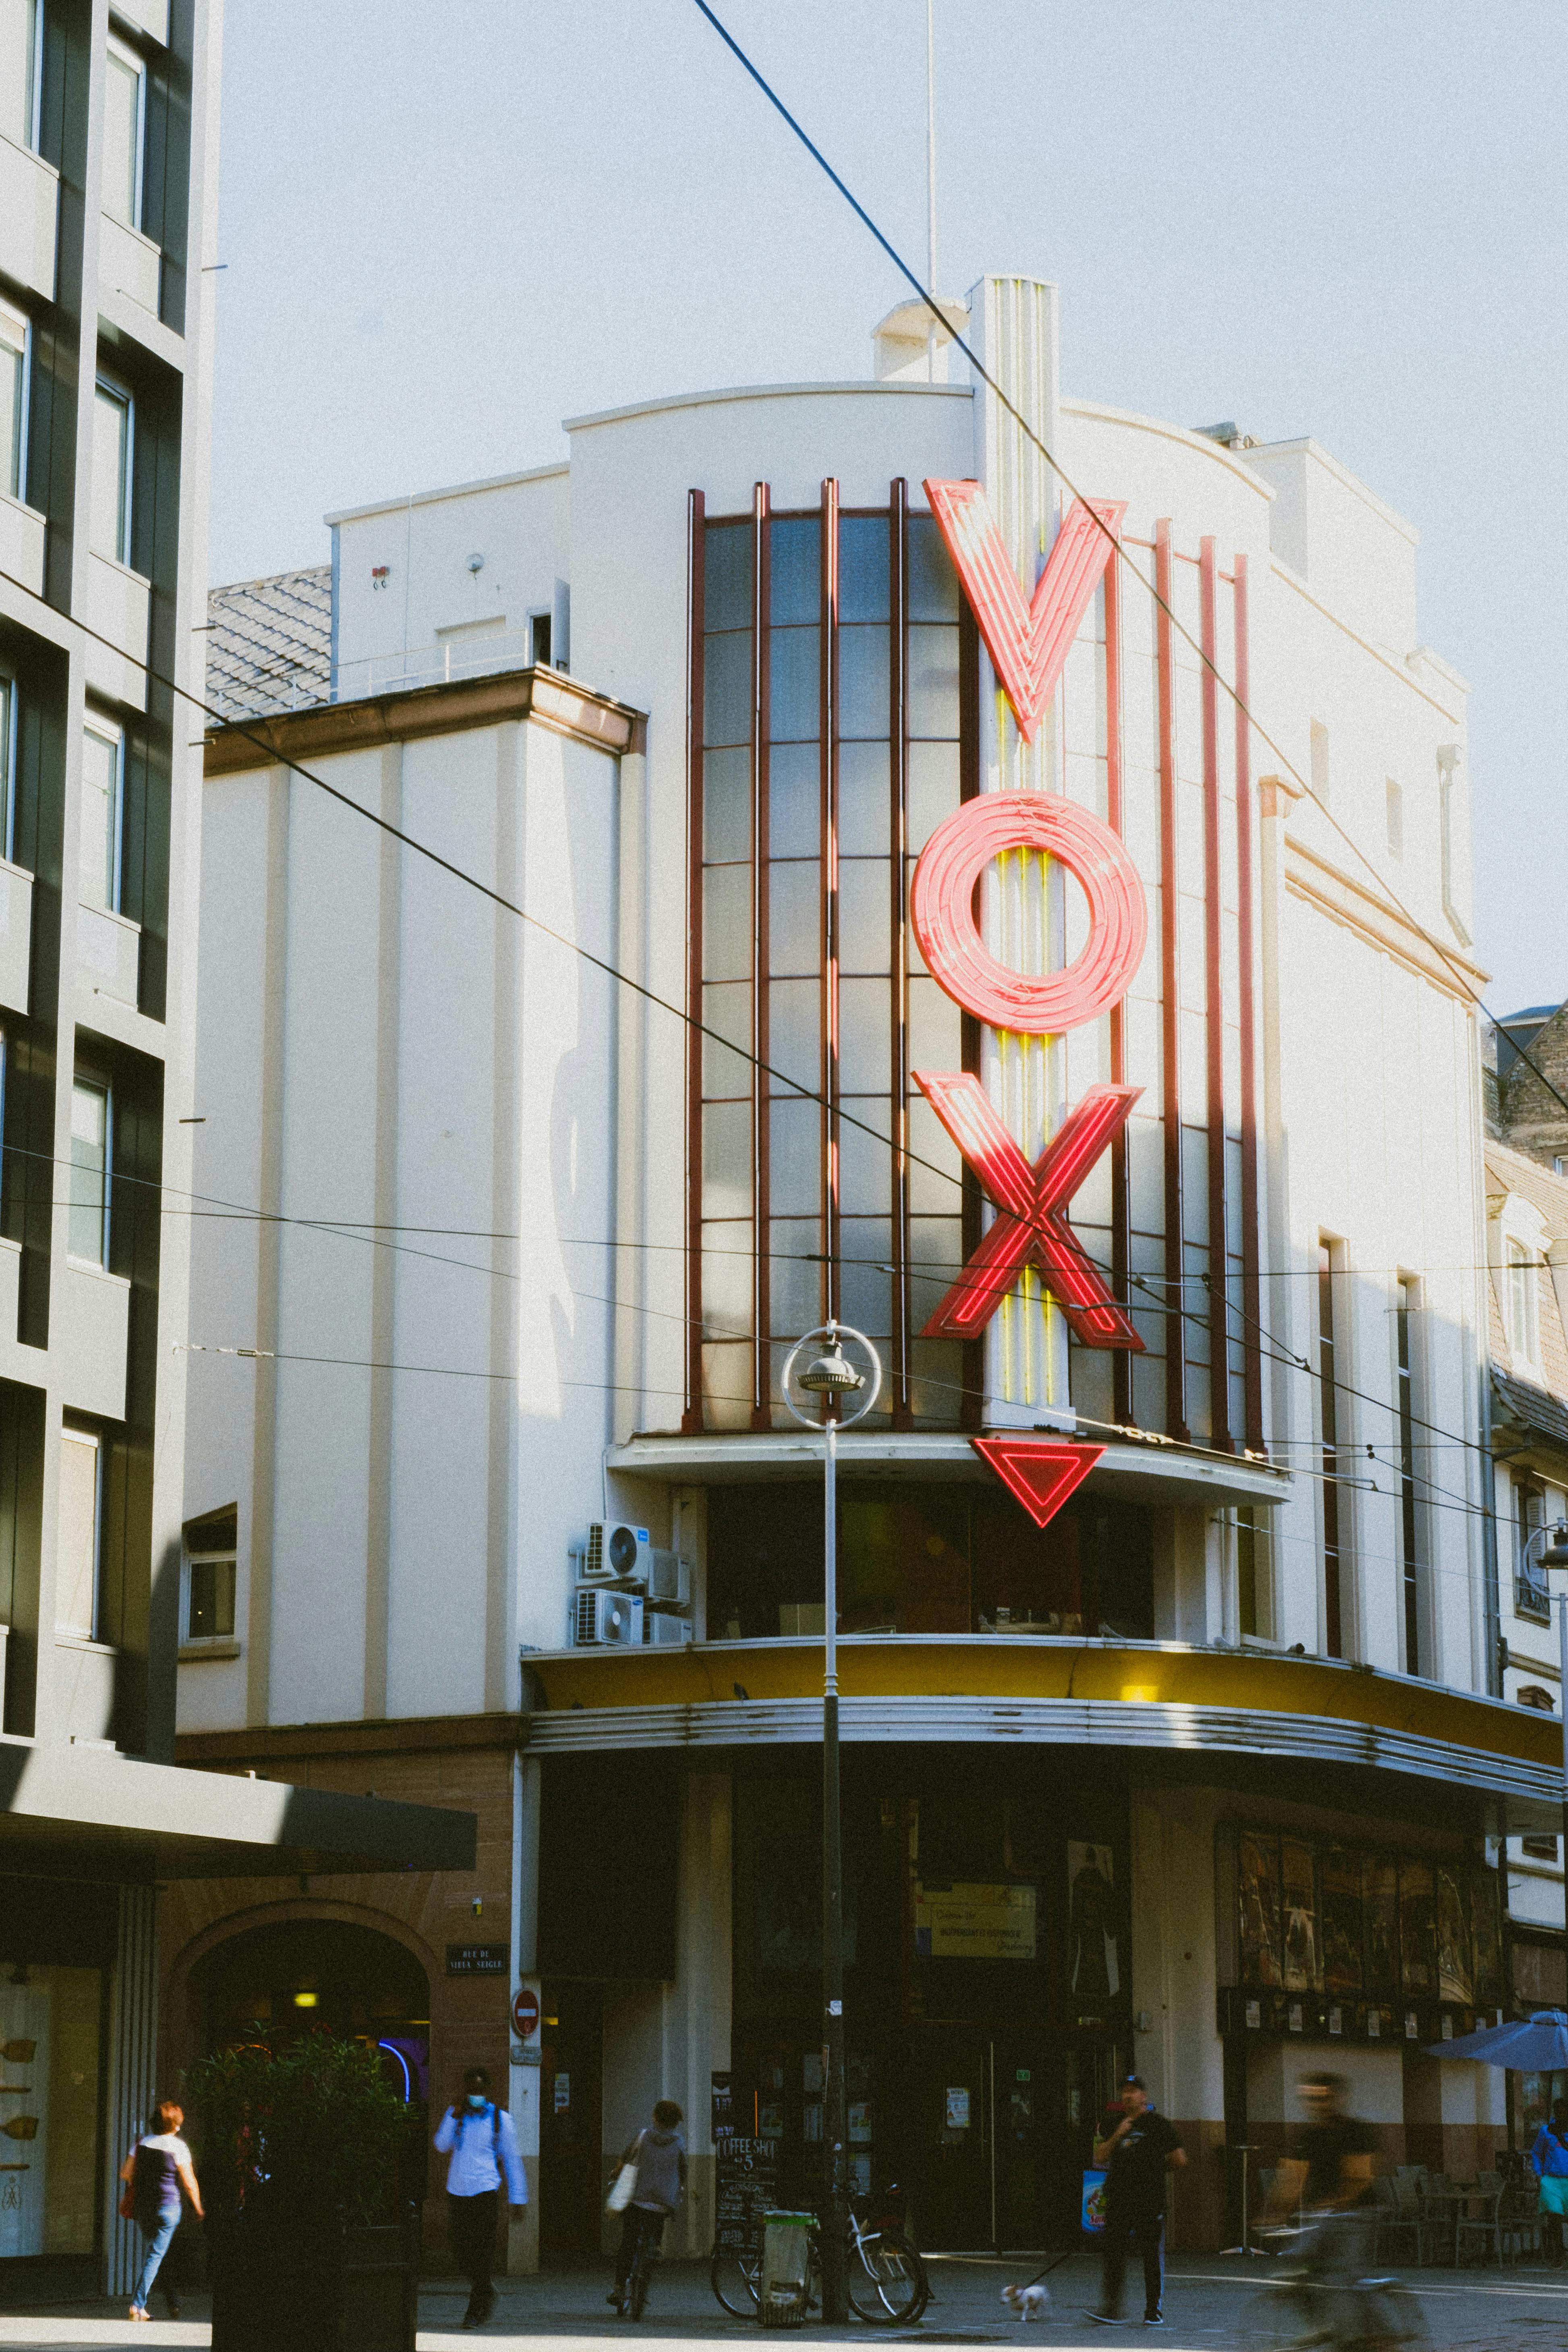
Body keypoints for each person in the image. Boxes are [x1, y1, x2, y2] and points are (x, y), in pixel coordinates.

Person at [1261, 2072, 1378, 2292]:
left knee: (1343, 2277)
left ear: (1338, 2098)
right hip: (1320, 2214)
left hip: (1357, 2211)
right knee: (1295, 2266)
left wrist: (1332, 2204)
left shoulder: (1356, 2131)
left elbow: (1359, 2178)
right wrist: (1274, 2213)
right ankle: (1319, 2325)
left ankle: (1368, 2324)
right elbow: (1292, 2178)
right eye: (1309, 2099)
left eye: (1322, 2098)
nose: (1316, 2105)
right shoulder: (1305, 2135)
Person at [433, 2066, 528, 2331]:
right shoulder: (456, 2115)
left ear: (486, 2090)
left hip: (485, 2191)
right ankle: (485, 2288)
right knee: (462, 2252)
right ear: (465, 2090)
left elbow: (511, 2160)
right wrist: (453, 2114)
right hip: (458, 2191)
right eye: (470, 2089)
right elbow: (441, 2145)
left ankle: (474, 2310)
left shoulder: (501, 2119)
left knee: (482, 2252)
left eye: (478, 2089)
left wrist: (518, 2198)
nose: (474, 2094)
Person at [1087, 2076, 1185, 2328]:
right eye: (1125, 2092)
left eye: (1134, 2091)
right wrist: (1118, 2134)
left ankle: (1153, 2310)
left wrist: (1154, 2169)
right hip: (1119, 2197)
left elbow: (1179, 2159)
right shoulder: (1112, 2123)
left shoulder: (1159, 2124)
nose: (1128, 2096)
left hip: (1149, 2199)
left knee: (1151, 2254)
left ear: (1144, 2095)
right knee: (1114, 2252)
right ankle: (1111, 2309)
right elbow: (1099, 2157)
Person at [118, 2097, 203, 2323]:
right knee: (156, 2255)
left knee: (157, 2255)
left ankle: (173, 2301)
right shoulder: (179, 2147)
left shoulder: (141, 2144)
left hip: (144, 2208)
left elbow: (126, 2174)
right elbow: (189, 2181)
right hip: (168, 2208)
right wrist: (198, 2207)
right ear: (175, 2125)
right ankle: (137, 2306)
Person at [608, 2099, 687, 2316]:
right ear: (675, 2123)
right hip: (662, 2203)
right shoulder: (679, 2143)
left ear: (655, 2117)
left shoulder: (642, 2137)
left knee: (629, 2241)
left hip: (637, 2200)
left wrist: (615, 2174)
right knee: (654, 2235)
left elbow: (624, 2159)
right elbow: (683, 2170)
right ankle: (655, 2252)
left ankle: (618, 2288)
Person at [1530, 2097, 1568, 2264]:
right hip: (1551, 2181)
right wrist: (1540, 2174)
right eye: (1559, 2110)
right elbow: (1537, 2152)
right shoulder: (1547, 2131)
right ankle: (1558, 2254)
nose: (1562, 2114)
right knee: (1555, 2217)